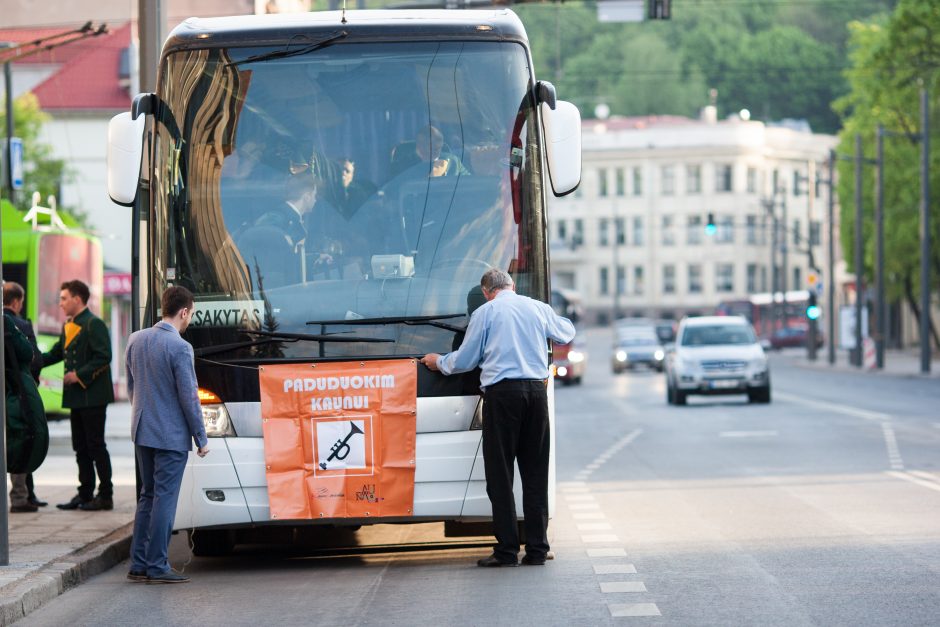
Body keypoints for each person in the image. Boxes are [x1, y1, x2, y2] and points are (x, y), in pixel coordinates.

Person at [420, 269, 575, 567]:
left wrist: (437, 362)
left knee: (500, 475)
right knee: (535, 473)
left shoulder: (485, 313)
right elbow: (566, 331)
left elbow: (465, 360)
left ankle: (506, 551)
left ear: (487, 291)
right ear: (512, 286)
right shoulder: (538, 308)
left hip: (502, 397)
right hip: (535, 394)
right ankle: (538, 549)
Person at [125, 286, 209, 584]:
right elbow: (189, 396)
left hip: (142, 429)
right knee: (164, 498)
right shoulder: (180, 347)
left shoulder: (136, 339)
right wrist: (201, 437)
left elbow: (132, 388)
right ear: (184, 311)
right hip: (170, 434)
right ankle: (158, 564)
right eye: (191, 314)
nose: (190, 319)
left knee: (147, 495)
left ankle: (138, 564)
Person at [42, 279, 115, 511]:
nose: (60, 303)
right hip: (76, 397)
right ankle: (85, 494)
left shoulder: (94, 324)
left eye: (64, 298)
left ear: (77, 299)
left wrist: (78, 375)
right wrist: (31, 359)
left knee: (96, 446)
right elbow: (55, 354)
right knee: (80, 447)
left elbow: (104, 356)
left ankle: (105, 495)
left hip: (93, 396)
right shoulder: (69, 325)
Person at [3, 282, 47, 509]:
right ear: (17, 301)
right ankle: (21, 496)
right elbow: (32, 356)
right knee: (21, 436)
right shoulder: (15, 324)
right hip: (14, 392)